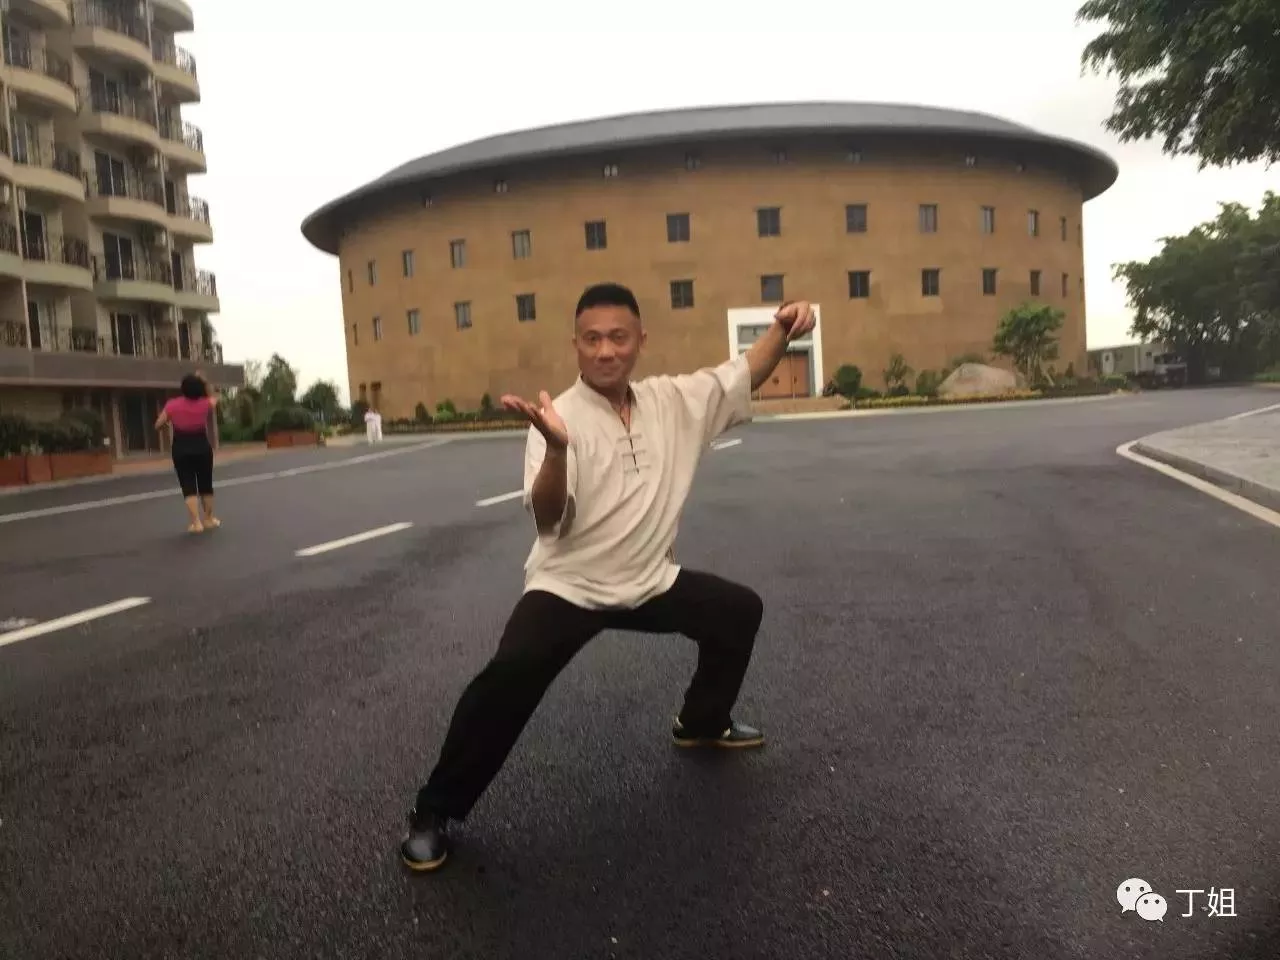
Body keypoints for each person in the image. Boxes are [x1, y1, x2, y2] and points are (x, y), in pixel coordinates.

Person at [400, 282, 817, 872]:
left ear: (640, 340)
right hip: (569, 586)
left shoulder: (674, 402)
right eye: (591, 339)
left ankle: (701, 722)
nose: (605, 350)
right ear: (575, 345)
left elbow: (744, 371)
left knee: (737, 611)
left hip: (648, 579)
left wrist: (783, 328)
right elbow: (548, 518)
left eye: (617, 337)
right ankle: (433, 811)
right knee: (508, 677)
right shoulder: (557, 418)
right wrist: (556, 451)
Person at [153, 370, 221, 534]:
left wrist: (168, 423)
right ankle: (209, 519)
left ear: (183, 388)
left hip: (181, 447)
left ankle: (196, 523)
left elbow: (157, 425)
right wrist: (204, 381)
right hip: (202, 446)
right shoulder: (205, 403)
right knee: (206, 483)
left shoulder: (172, 404)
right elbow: (214, 397)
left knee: (188, 484)